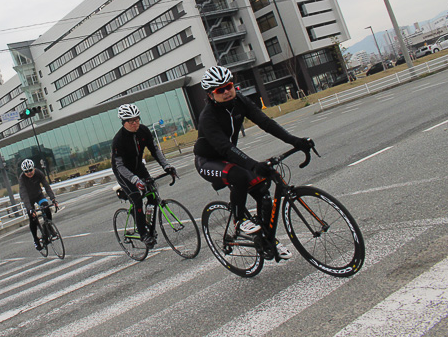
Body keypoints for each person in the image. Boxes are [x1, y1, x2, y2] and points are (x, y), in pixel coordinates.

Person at [193, 66, 315, 260]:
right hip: (208, 161)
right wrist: (252, 165)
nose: (226, 92)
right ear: (210, 95)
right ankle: (239, 220)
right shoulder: (207, 117)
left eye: (228, 86)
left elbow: (266, 123)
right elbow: (225, 147)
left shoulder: (240, 101)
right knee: (240, 176)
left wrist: (295, 140)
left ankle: (267, 239)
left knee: (263, 193)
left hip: (228, 157)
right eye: (219, 90)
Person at [111, 103, 177, 247]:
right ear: (124, 122)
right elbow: (120, 166)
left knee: (152, 194)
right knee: (137, 199)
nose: (135, 123)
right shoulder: (119, 139)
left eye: (137, 119)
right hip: (123, 172)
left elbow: (154, 150)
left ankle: (147, 221)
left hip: (138, 167)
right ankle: (143, 234)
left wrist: (166, 166)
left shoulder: (144, 131)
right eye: (131, 121)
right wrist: (135, 180)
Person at [19, 159, 59, 251]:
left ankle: (48, 226)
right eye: (26, 171)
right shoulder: (22, 179)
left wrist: (53, 198)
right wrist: (29, 209)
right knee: (32, 218)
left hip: (38, 195)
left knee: (46, 207)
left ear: (33, 168)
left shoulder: (38, 173)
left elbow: (46, 186)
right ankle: (36, 240)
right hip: (28, 199)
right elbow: (24, 194)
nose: (29, 173)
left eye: (30, 170)